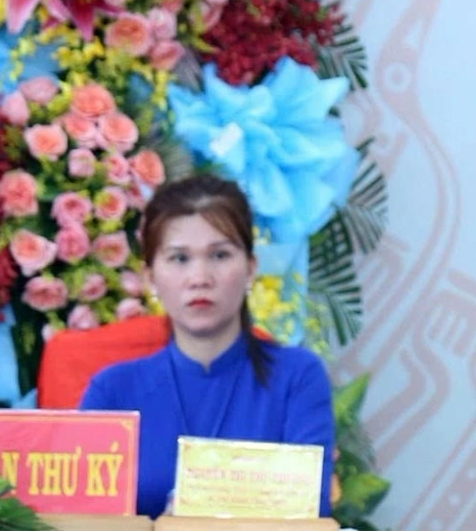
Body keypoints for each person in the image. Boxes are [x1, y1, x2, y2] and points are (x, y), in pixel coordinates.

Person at [81, 174, 335, 518]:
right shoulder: (112, 391)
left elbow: (309, 510)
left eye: (219, 255)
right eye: (179, 258)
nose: (200, 277)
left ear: (250, 269)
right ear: (151, 278)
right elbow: (84, 517)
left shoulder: (297, 378)